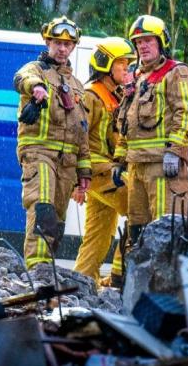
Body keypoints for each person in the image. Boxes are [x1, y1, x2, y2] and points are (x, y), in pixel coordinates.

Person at [14, 16, 91, 270]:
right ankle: (37, 275)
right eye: (57, 42)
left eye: (68, 44)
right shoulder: (36, 70)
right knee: (43, 210)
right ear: (48, 41)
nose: (62, 48)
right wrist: (36, 88)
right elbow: (21, 78)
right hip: (39, 153)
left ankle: (47, 271)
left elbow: (82, 133)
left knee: (56, 222)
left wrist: (84, 173)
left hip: (67, 164)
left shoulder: (77, 87)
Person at [114, 15, 188, 246]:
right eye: (139, 42)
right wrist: (120, 160)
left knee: (165, 231)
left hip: (163, 166)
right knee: (137, 231)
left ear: (162, 43)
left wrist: (174, 150)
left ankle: (164, 282)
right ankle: (137, 280)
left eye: (149, 40)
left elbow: (185, 112)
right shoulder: (136, 78)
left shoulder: (175, 72)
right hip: (136, 167)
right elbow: (126, 121)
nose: (143, 46)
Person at [73, 37, 135, 286]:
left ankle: (79, 283)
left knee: (98, 235)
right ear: (105, 64)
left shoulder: (117, 96)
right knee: (140, 209)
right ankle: (120, 277)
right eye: (122, 63)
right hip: (100, 171)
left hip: (108, 172)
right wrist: (77, 181)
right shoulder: (91, 97)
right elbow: (77, 139)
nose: (127, 69)